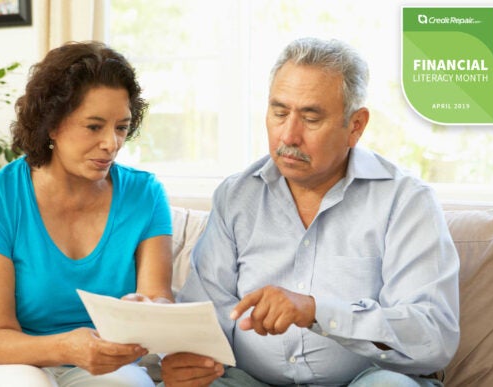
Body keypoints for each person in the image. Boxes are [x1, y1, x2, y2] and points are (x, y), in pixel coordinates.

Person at [160, 37, 460, 387]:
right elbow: (206, 312)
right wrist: (186, 359)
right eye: (279, 112)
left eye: (311, 118)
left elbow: (432, 335)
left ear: (356, 126)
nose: (289, 135)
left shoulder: (405, 201)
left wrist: (318, 311)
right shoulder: (236, 196)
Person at [0, 41, 173, 387]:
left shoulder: (145, 194)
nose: (111, 143)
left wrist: (146, 310)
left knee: (129, 385)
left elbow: (158, 297)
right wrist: (67, 346)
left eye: (121, 127)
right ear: (52, 124)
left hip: (93, 360)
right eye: (94, 127)